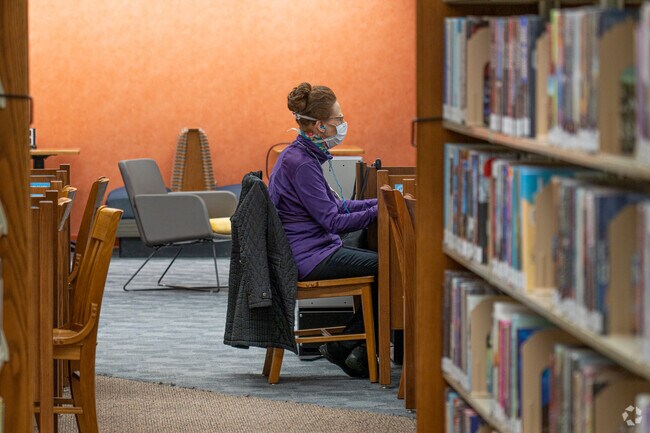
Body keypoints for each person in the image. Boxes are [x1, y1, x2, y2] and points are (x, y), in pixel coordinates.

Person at [268, 82, 379, 378]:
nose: (342, 125)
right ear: (319, 126)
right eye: (338, 120)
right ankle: (345, 346)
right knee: (388, 268)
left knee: (381, 264)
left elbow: (337, 206)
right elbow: (333, 221)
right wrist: (377, 212)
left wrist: (377, 201)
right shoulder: (302, 164)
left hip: (310, 251)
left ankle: (350, 347)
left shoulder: (300, 156)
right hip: (309, 258)